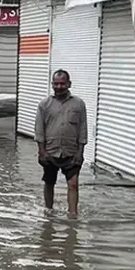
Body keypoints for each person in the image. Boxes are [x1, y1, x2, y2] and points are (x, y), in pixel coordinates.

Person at [35, 69, 87, 218]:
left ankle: (73, 215)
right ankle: (48, 211)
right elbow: (39, 130)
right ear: (52, 84)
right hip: (51, 151)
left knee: (73, 184)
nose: (59, 87)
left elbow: (82, 129)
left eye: (62, 84)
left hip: (71, 152)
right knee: (49, 182)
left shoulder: (78, 104)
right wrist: (41, 151)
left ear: (69, 84)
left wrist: (80, 152)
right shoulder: (44, 105)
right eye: (56, 84)